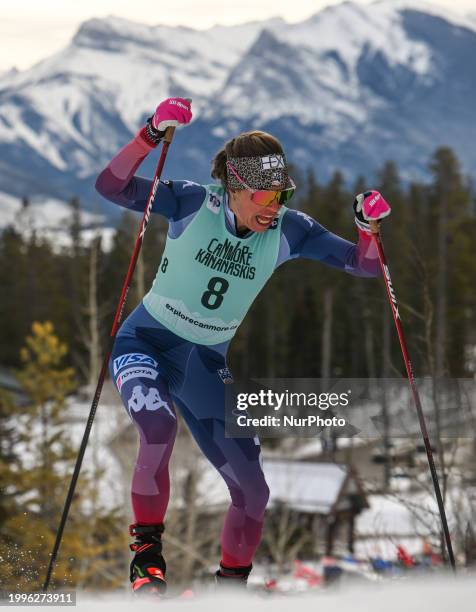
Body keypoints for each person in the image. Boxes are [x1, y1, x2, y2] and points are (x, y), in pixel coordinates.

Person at [95, 97, 391, 595]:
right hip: (145, 342)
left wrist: (368, 229)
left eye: (282, 194)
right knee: (158, 426)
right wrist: (150, 132)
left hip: (204, 363)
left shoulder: (290, 231)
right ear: (233, 188)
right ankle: (147, 559)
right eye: (263, 196)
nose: (274, 207)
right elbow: (111, 186)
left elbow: (365, 265)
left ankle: (231, 592)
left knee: (254, 492)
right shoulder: (191, 202)